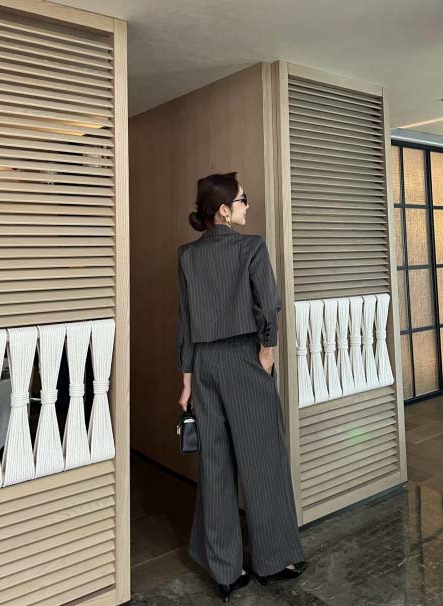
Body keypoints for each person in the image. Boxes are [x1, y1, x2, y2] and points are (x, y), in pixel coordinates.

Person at [176, 172, 307, 602]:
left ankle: (225, 571)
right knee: (263, 458)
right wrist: (267, 350)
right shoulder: (252, 247)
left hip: (205, 365)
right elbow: (269, 302)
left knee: (215, 465)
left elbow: (186, 321)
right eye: (242, 199)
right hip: (243, 360)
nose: (248, 206)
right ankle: (276, 560)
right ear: (223, 210)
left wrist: (187, 379)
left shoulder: (187, 256)